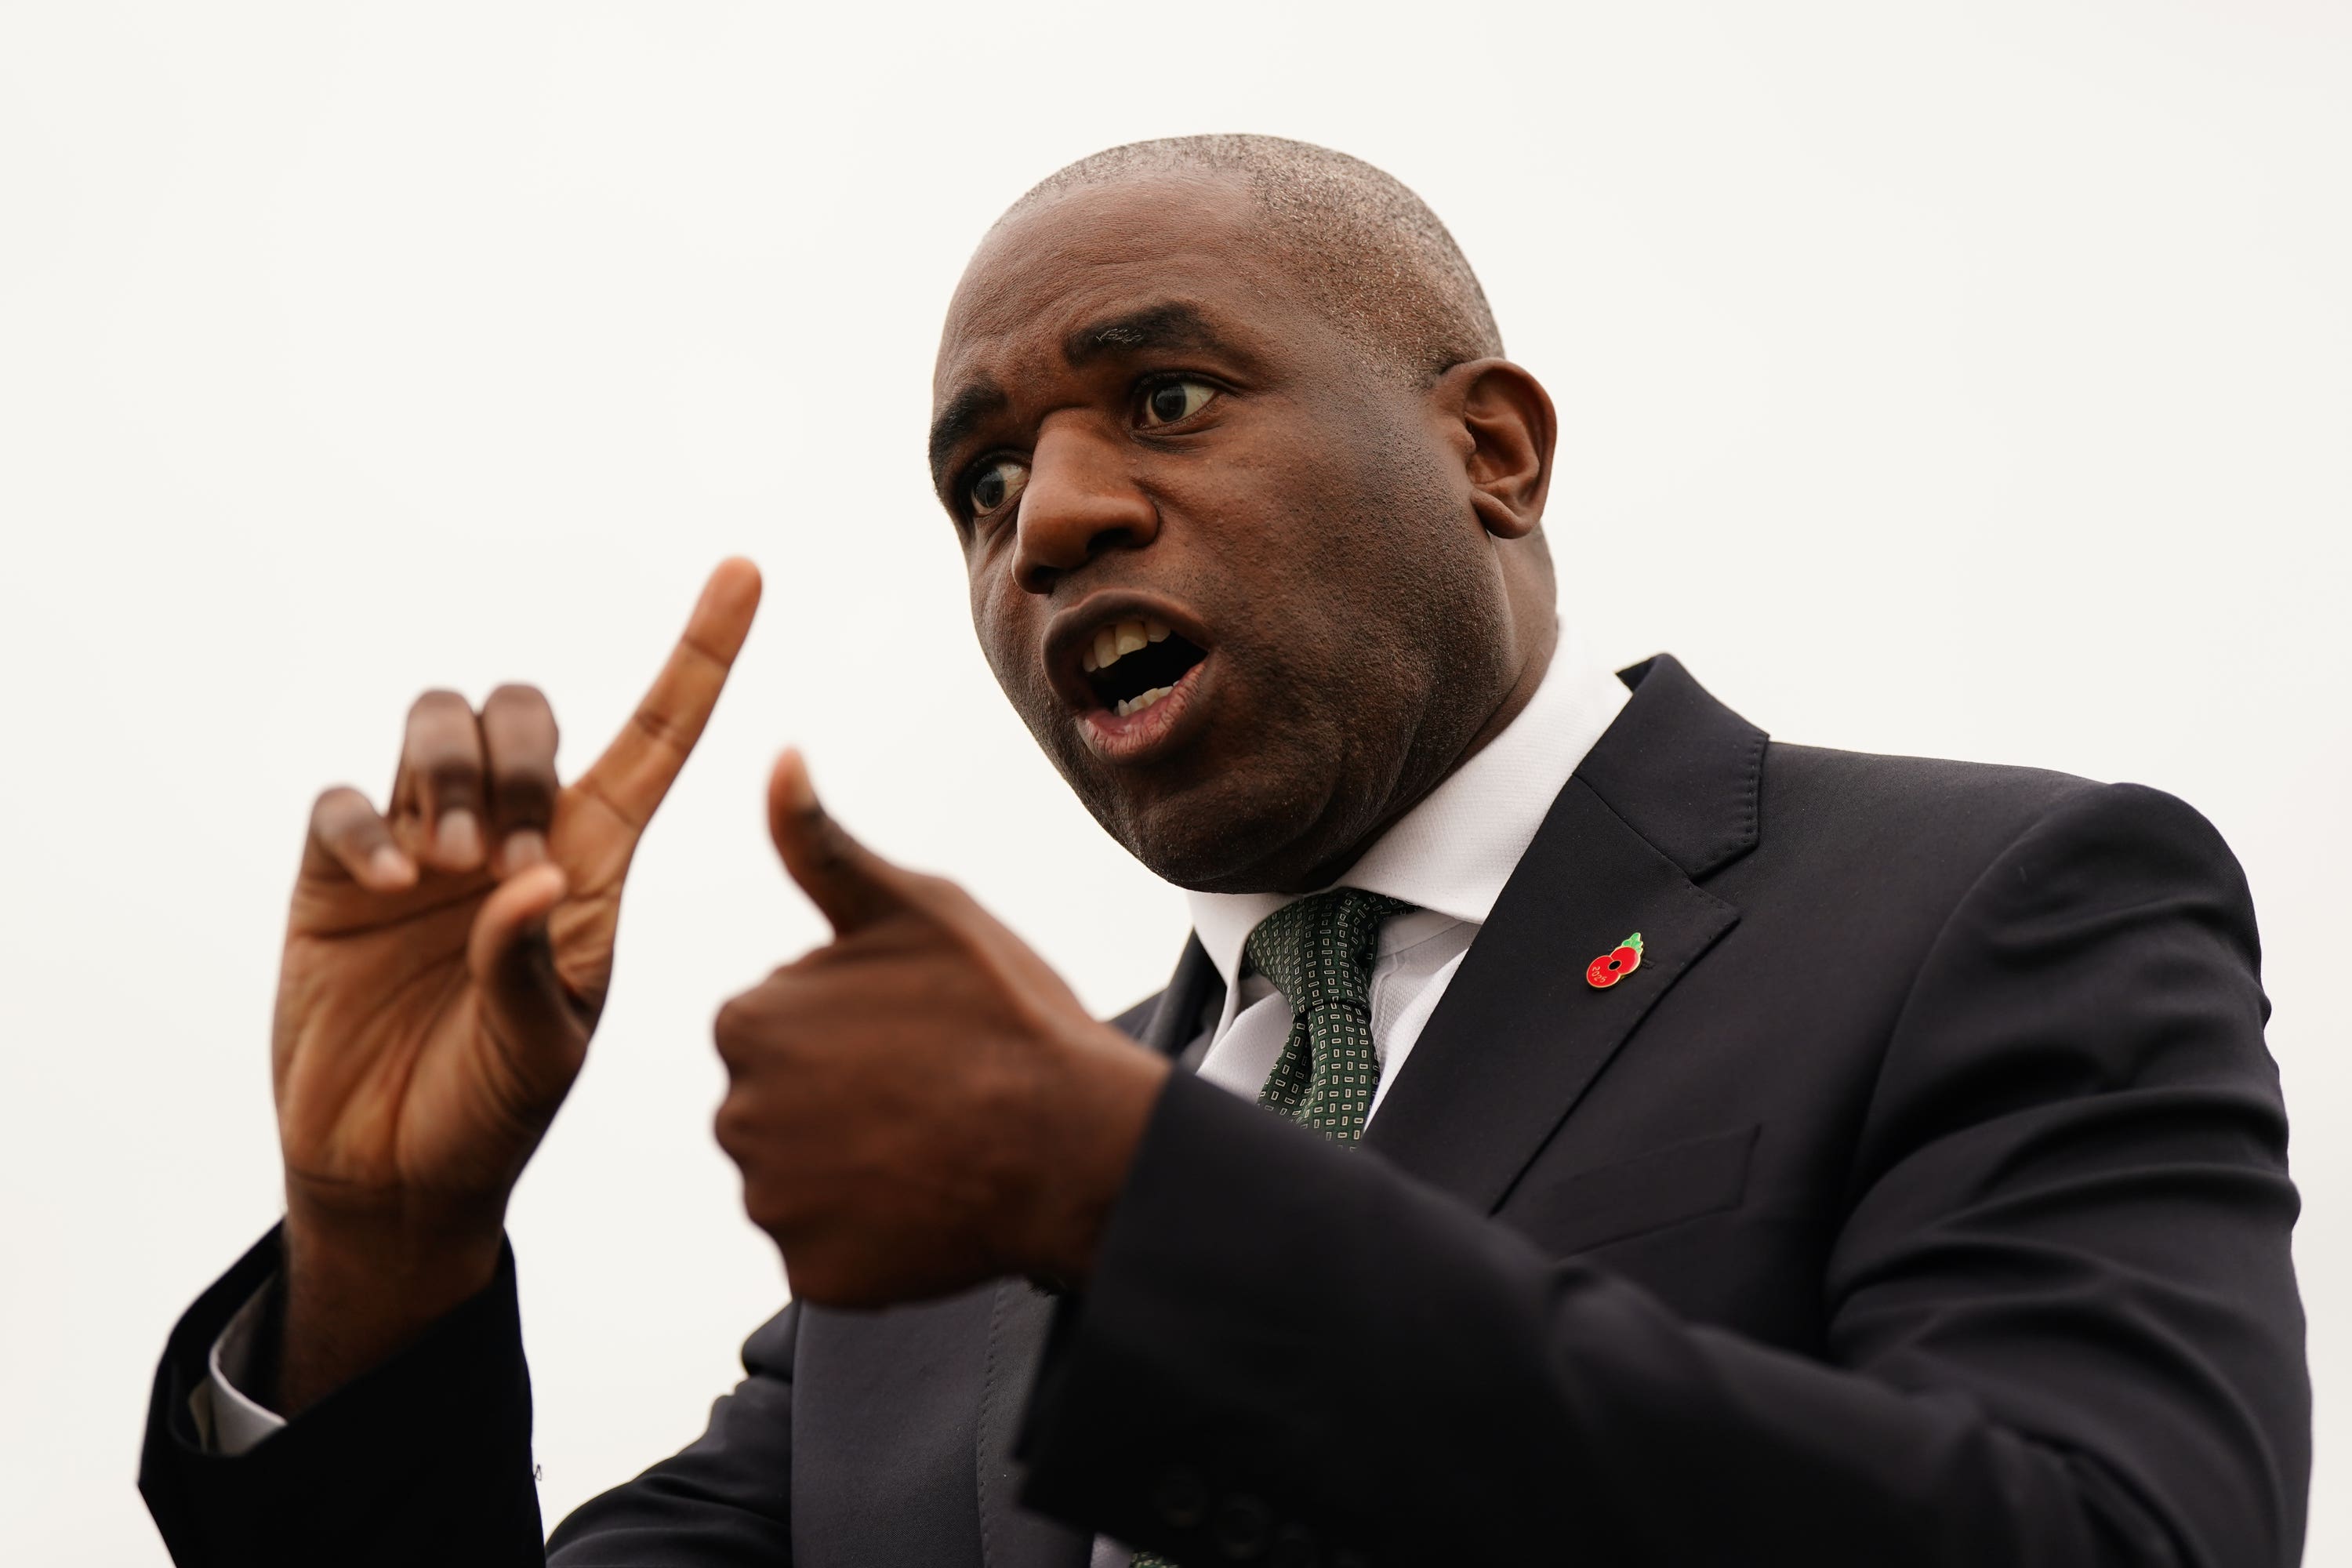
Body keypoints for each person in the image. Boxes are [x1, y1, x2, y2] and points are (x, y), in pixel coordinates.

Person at [139, 136, 2307, 1567]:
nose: (1049, 519)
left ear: (1491, 450)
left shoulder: (1988, 911)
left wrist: (1137, 1201)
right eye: (980, 487)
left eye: (1162, 399)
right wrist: (385, 1252)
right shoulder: (940, 1257)